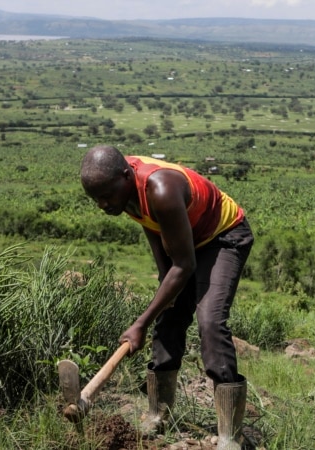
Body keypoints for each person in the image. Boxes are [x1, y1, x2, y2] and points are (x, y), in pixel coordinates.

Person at [80, 145, 253, 450]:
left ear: (125, 176)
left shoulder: (160, 188)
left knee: (210, 321)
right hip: (186, 238)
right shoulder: (123, 190)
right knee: (169, 314)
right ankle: (159, 413)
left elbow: (184, 265)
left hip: (223, 236)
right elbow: (154, 227)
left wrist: (140, 324)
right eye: (95, 199)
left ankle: (229, 434)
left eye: (106, 195)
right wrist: (165, 288)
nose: (102, 204)